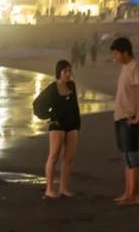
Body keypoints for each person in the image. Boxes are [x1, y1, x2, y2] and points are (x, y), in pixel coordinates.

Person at [33, 60, 81, 199]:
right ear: (59, 72)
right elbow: (37, 104)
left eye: (69, 71)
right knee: (54, 156)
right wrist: (48, 116)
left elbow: (75, 106)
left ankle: (64, 188)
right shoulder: (52, 88)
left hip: (72, 124)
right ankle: (49, 189)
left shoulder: (72, 86)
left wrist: (78, 125)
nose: (68, 74)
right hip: (57, 124)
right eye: (65, 71)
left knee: (69, 158)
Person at [110, 37, 139, 206]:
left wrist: (138, 115)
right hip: (120, 115)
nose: (115, 57)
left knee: (132, 155)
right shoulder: (125, 67)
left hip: (131, 116)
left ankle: (134, 194)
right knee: (126, 155)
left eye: (116, 53)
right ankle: (127, 192)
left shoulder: (136, 67)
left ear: (125, 52)